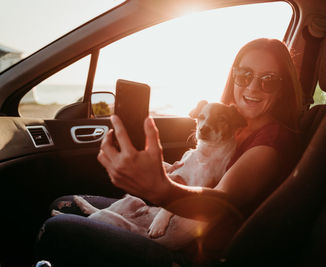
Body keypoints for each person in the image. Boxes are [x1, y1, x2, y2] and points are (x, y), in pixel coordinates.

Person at [34, 38, 303, 266]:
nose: (253, 87)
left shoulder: (272, 142)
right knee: (63, 203)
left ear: (283, 89)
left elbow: (220, 203)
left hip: (188, 251)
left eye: (268, 80)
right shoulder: (233, 124)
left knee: (57, 229)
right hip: (165, 217)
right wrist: (164, 170)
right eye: (244, 75)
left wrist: (159, 190)